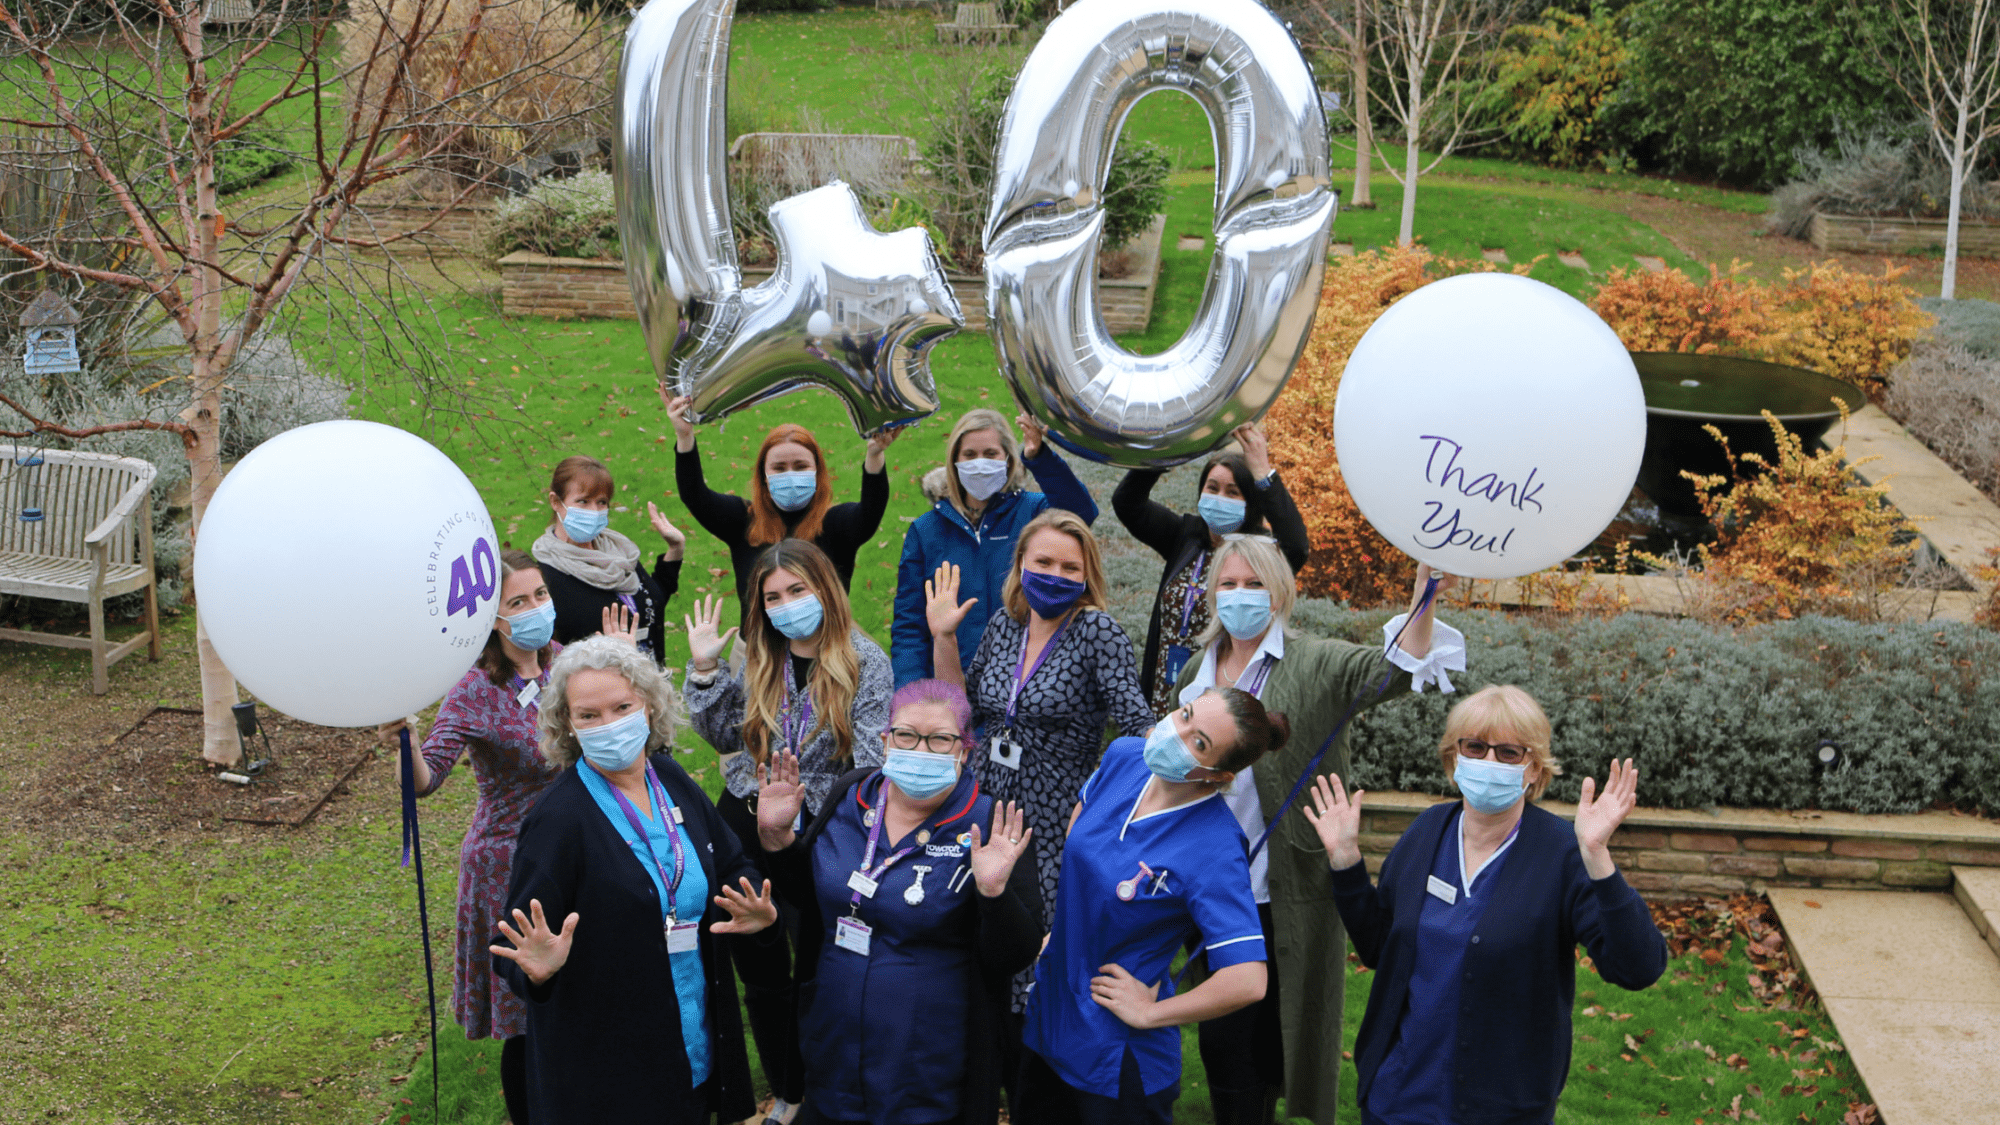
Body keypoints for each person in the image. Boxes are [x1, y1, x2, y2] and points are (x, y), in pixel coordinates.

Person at [1172, 536, 1464, 1125]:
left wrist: (1423, 593)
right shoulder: (1194, 671)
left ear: (1280, 590)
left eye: (1254, 584)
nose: (1240, 596)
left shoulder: (1314, 661)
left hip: (1284, 885)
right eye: (1227, 584)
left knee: (1278, 1037)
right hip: (1207, 886)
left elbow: (1392, 671)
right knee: (1225, 1044)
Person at [1305, 685, 1668, 1125]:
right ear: (1453, 757)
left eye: (1510, 753)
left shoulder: (1561, 854)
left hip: (1502, 1107)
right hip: (1398, 1096)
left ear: (1534, 769)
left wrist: (1597, 856)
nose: (1488, 762)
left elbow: (1637, 968)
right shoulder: (1427, 832)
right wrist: (1345, 860)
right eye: (1475, 747)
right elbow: (1379, 949)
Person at [489, 634, 781, 1123]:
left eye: (622, 706)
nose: (608, 725)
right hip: (611, 1074)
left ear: (648, 706)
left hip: (694, 1048)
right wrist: (535, 971)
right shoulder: (557, 820)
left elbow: (730, 864)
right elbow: (517, 943)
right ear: (567, 724)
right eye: (589, 715)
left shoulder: (669, 779)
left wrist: (753, 902)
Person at [752, 678, 1043, 1125]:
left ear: (964, 750)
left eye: (940, 739)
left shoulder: (991, 824)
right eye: (906, 735)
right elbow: (812, 896)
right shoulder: (849, 795)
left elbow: (1015, 954)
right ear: (885, 741)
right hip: (832, 1044)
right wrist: (778, 840)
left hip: (925, 1065)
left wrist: (993, 893)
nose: (921, 750)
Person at [684, 539, 894, 1125]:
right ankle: (787, 1088)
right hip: (747, 819)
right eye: (773, 596)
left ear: (824, 588)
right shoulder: (759, 656)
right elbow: (726, 734)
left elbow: (874, 760)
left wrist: (810, 803)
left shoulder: (863, 659)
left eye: (797, 591)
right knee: (758, 960)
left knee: (819, 962)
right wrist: (705, 671)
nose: (785, 605)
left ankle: (833, 1078)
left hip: (822, 830)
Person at [1015, 686, 1292, 1125]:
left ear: (1217, 776)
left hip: (1114, 1055)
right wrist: (1064, 927)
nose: (1175, 735)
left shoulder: (1215, 846)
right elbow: (1081, 830)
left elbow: (1248, 979)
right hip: (1049, 1017)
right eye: (1184, 715)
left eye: (1198, 742)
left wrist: (1152, 1012)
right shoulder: (1125, 756)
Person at [410, 549, 578, 1125]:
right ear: (492, 619)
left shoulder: (566, 661)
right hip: (508, 866)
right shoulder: (475, 687)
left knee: (579, 1000)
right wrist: (403, 741)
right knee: (528, 1021)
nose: (535, 610)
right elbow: (426, 780)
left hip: (577, 850)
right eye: (518, 603)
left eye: (540, 596)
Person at [1111, 423, 1310, 715]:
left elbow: (1296, 546)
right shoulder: (1186, 536)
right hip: (1162, 695)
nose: (1220, 498)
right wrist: (1167, 451)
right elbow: (1127, 503)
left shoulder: (1261, 553)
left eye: (1233, 493)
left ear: (1249, 502)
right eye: (1212, 488)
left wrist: (1263, 475)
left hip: (1220, 701)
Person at [892, 407, 1100, 686]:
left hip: (1026, 683)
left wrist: (1040, 457)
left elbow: (1081, 513)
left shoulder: (1033, 512)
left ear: (1008, 459)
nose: (980, 463)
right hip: (951, 682)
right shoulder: (926, 530)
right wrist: (912, 695)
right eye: (970, 455)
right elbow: (909, 627)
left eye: (990, 454)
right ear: (954, 460)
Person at [668, 396, 897, 605]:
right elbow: (694, 495)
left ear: (817, 471)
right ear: (764, 477)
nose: (790, 474)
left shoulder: (836, 525)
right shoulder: (743, 520)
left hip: (826, 648)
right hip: (754, 649)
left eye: (800, 466)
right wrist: (684, 436)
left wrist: (874, 455)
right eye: (779, 468)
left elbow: (871, 510)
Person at [532, 454, 685, 659]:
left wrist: (675, 550)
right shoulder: (545, 576)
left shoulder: (618, 552)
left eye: (601, 502)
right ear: (556, 502)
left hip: (650, 683)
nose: (594, 511)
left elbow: (649, 603)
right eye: (583, 501)